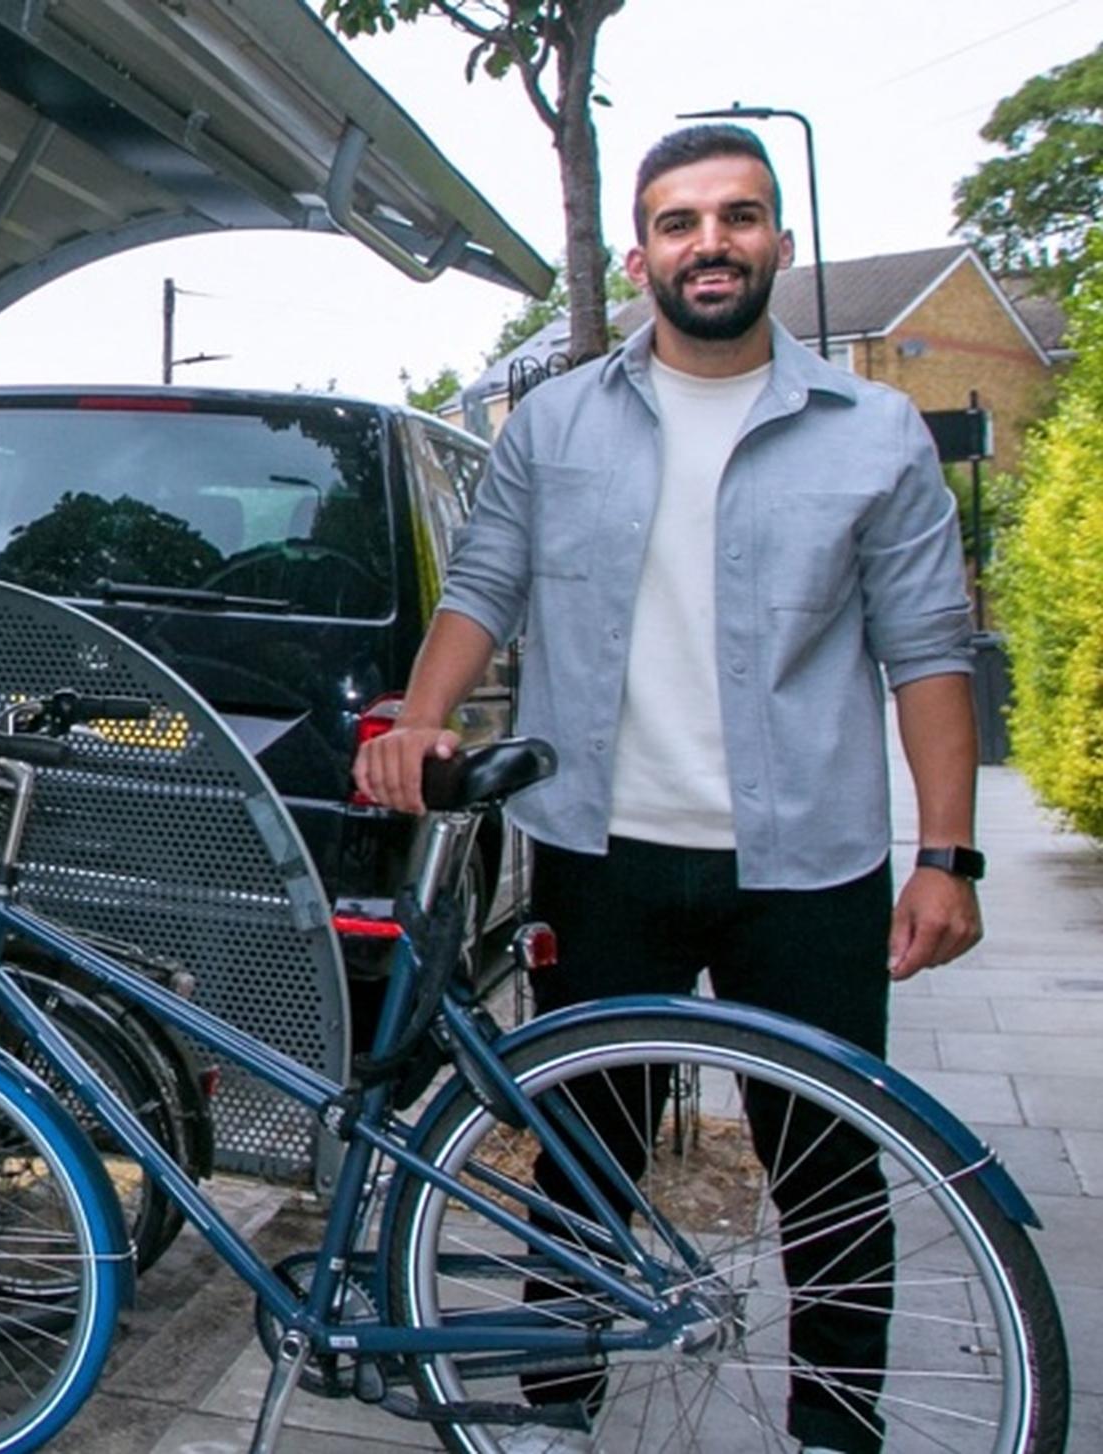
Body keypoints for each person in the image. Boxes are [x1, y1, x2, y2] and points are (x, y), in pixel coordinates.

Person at [353, 125, 980, 1454]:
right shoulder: (561, 422)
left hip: (806, 861)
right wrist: (416, 722)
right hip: (600, 845)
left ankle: (834, 1426)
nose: (711, 243)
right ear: (639, 253)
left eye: (737, 217)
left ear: (777, 244)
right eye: (681, 222)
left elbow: (926, 650)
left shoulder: (873, 434)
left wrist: (947, 854)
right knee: (583, 1141)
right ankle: (550, 1409)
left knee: (825, 1162)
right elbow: (481, 590)